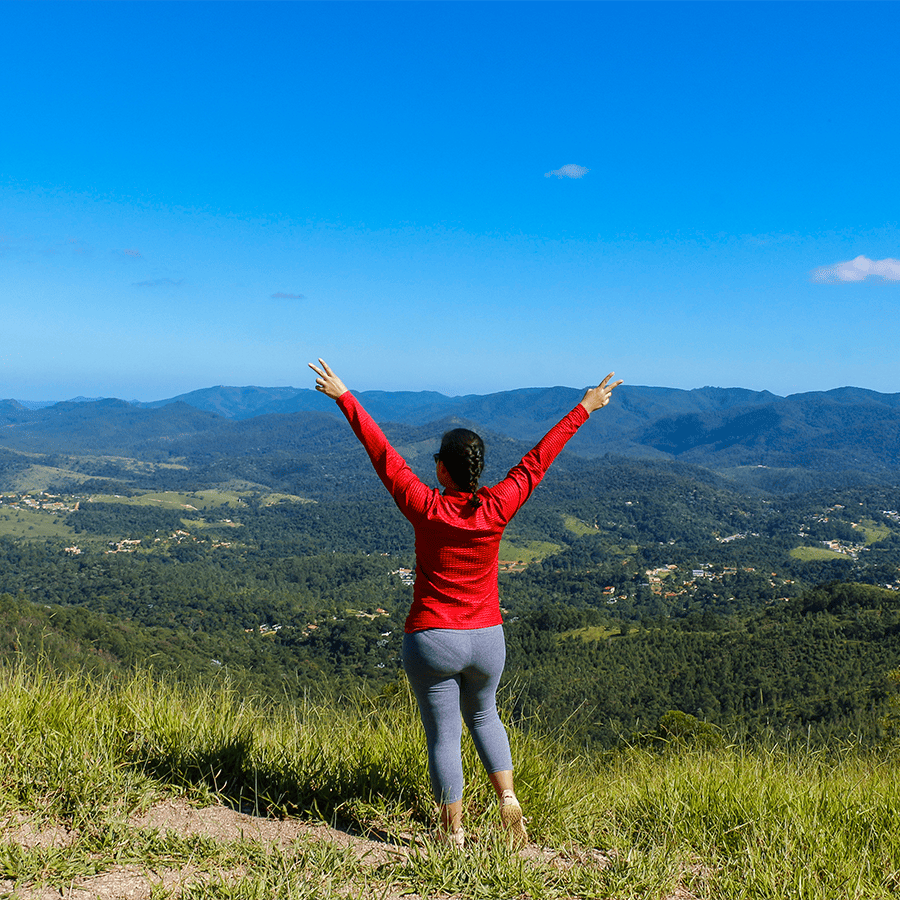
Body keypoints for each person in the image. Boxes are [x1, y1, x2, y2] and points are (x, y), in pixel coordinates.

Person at [308, 359, 622, 848]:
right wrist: (585, 406)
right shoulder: (497, 506)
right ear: (478, 469)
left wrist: (345, 396)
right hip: (487, 638)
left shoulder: (426, 506)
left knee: (444, 737)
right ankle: (508, 801)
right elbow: (538, 459)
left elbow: (384, 456)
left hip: (434, 638)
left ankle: (453, 835)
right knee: (485, 715)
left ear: (440, 467)